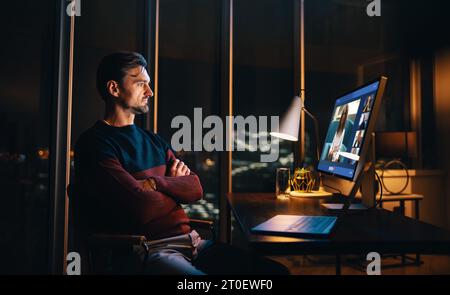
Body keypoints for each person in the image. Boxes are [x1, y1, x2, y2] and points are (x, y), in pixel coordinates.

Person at [74, 51, 288, 275]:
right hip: (149, 251)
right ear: (114, 89)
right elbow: (142, 208)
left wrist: (156, 184)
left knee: (275, 273)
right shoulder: (95, 144)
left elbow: (195, 189)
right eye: (140, 84)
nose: (150, 92)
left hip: (193, 244)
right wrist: (173, 186)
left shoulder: (154, 140)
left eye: (149, 84)